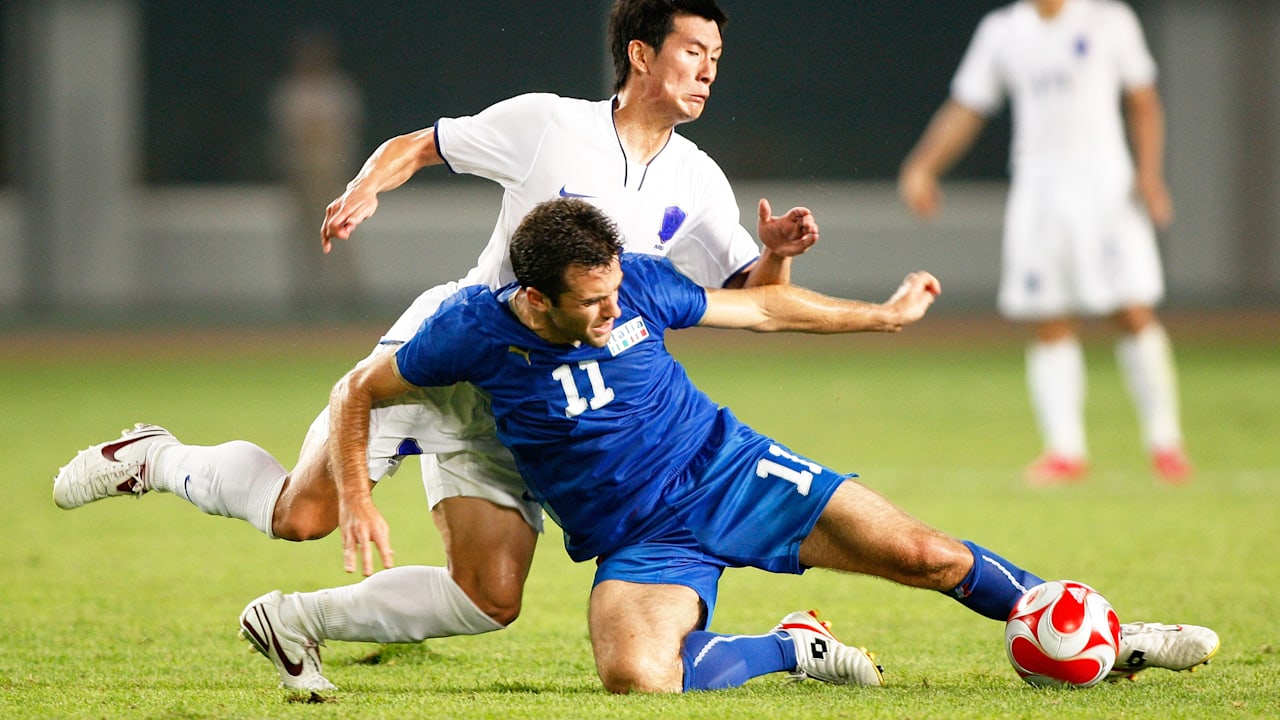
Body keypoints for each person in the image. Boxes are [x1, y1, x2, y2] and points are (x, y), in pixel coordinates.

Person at [53, 0, 819, 688]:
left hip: (527, 405)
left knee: (491, 595)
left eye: (716, 57)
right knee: (303, 515)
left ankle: (293, 621)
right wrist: (364, 188)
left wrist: (777, 250)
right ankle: (158, 457)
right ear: (642, 55)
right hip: (445, 354)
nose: (709, 70)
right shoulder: (551, 124)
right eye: (694, 51)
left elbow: (753, 301)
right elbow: (420, 144)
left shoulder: (700, 182)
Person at [323, 197, 1215, 693]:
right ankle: (792, 646)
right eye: (588, 303)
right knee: (637, 678)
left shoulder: (634, 286)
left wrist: (884, 316)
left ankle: (1107, 634)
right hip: (639, 541)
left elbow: (762, 306)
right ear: (535, 296)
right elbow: (364, 388)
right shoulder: (470, 332)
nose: (608, 312)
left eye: (611, 296)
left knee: (927, 554)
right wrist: (358, 492)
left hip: (731, 471)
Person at [897, 0, 1191, 485]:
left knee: (1131, 310)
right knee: (1049, 317)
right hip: (1039, 193)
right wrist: (922, 167)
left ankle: (1166, 443)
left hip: (1106, 191)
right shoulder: (1003, 30)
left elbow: (1142, 100)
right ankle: (1065, 450)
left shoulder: (1109, 20)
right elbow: (967, 106)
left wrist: (1150, 173)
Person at [269, 27, 365, 317]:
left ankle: (347, 296)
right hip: (300, 174)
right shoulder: (291, 92)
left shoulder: (338, 90)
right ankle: (309, 298)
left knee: (343, 234)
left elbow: (346, 133)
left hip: (332, 171)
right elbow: (285, 136)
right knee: (304, 237)